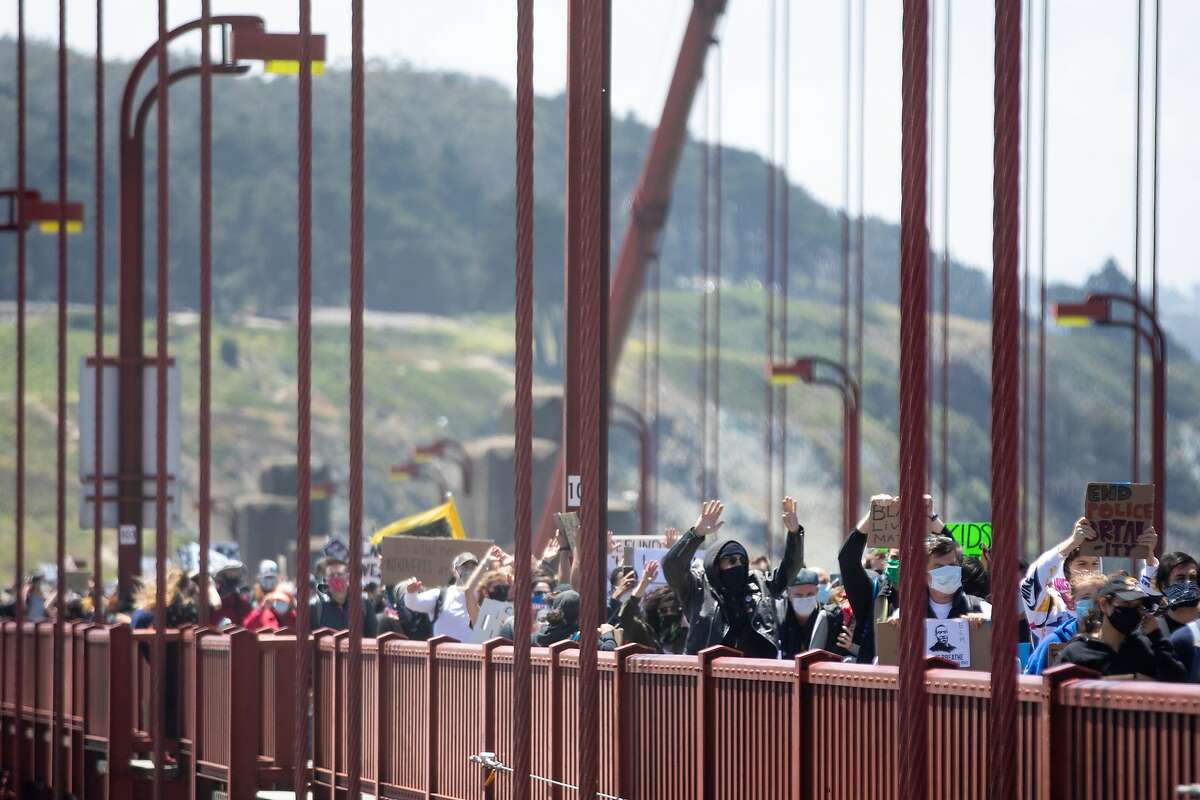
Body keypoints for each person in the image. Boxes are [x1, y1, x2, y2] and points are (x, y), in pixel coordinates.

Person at [662, 496, 805, 659]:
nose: (738, 565)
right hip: (710, 679)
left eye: (742, 560)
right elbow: (672, 566)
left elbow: (790, 569)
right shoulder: (697, 588)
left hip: (757, 677)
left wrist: (794, 534)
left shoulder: (759, 583)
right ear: (716, 566)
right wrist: (696, 534)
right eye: (731, 561)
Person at [1021, 517, 1157, 643]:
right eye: (1082, 564)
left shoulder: (1113, 607)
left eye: (1095, 564)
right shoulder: (1051, 606)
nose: (1089, 570)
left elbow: (1146, 602)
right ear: (1065, 570)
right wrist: (1073, 542)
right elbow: (1033, 581)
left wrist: (1149, 556)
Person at [1054, 573, 1185, 681]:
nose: (1133, 611)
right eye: (1126, 604)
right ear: (1104, 604)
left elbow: (1177, 682)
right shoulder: (1077, 653)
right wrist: (1131, 679)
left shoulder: (1144, 649)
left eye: (1139, 606)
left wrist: (1157, 637)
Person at [1023, 571, 1106, 675]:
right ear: (1072, 603)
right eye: (1086, 597)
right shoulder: (1055, 641)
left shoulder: (1114, 638)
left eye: (1098, 597)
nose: (1094, 603)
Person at [399, 550, 479, 643]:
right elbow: (413, 603)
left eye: (472, 567)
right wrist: (411, 593)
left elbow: (489, 630)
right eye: (464, 567)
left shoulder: (484, 595)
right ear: (454, 570)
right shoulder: (440, 595)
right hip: (444, 655)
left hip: (474, 655)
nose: (468, 571)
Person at [778, 568, 843, 659]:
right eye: (798, 595)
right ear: (788, 593)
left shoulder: (830, 618)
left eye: (809, 594)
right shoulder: (778, 616)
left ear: (817, 591)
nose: (804, 599)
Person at [309, 557, 379, 636]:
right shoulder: (315, 607)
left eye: (339, 574)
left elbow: (373, 637)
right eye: (331, 575)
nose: (336, 578)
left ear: (348, 578)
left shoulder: (363, 604)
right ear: (326, 580)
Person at [1153, 551, 1199, 634]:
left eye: (1193, 578)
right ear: (1164, 586)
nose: (1188, 584)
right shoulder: (1152, 632)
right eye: (1180, 579)